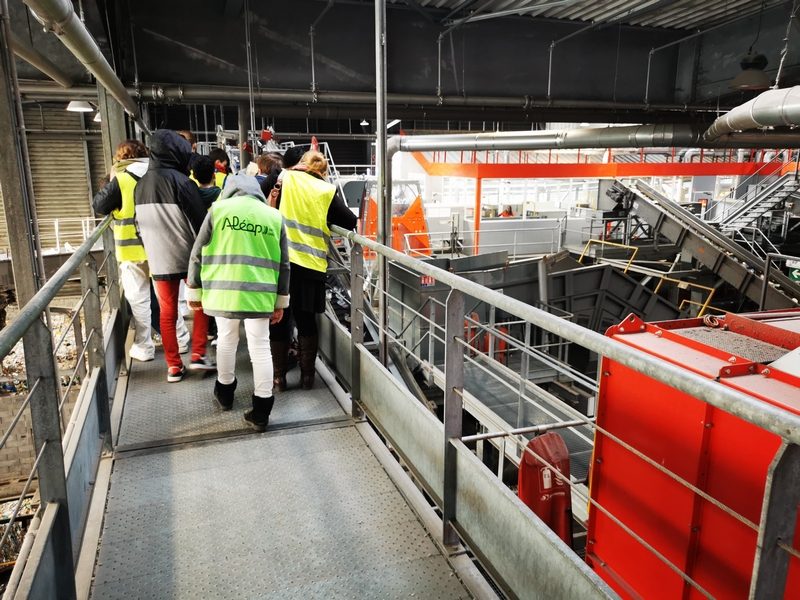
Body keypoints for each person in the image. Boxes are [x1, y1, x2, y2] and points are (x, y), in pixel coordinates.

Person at [187, 174, 290, 431]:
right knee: (260, 346)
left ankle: (224, 392)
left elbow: (197, 253)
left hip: (224, 291)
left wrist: (194, 292)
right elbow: (284, 264)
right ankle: (262, 410)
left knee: (226, 340)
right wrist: (280, 302)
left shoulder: (218, 210)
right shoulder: (273, 216)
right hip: (260, 294)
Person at [270, 150, 356, 390]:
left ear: (302, 164)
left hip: (281, 263)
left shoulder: (283, 178)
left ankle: (278, 378)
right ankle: (308, 377)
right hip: (311, 266)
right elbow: (350, 221)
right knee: (307, 320)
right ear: (323, 172)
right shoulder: (326, 191)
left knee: (279, 319)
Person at [134, 129, 214, 382]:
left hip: (159, 258)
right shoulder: (181, 182)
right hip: (188, 256)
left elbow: (138, 225)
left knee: (167, 311)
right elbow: (201, 222)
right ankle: (199, 355)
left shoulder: (140, 185)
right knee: (200, 304)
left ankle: (173, 366)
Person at [92, 140, 155, 362]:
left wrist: (112, 174)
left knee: (139, 300)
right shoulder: (158, 174)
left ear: (120, 159)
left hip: (131, 251)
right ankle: (181, 339)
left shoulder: (122, 179)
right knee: (169, 298)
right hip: (160, 247)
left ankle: (145, 346)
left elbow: (99, 205)